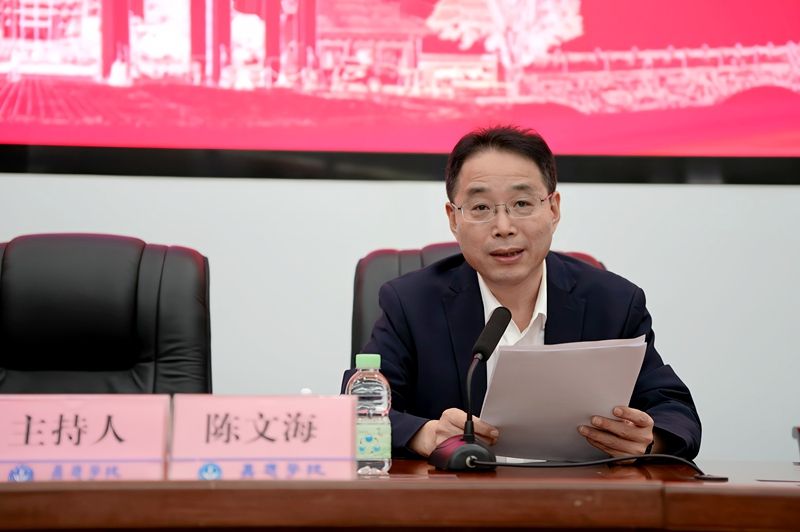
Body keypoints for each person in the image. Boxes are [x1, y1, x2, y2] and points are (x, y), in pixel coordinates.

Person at [347, 125, 701, 460]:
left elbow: (676, 411)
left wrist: (650, 440)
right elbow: (359, 410)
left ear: (553, 209)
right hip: (456, 497)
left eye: (522, 204)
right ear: (454, 219)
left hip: (579, 497)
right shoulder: (410, 304)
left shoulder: (613, 303)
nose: (504, 227)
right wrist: (426, 435)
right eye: (481, 208)